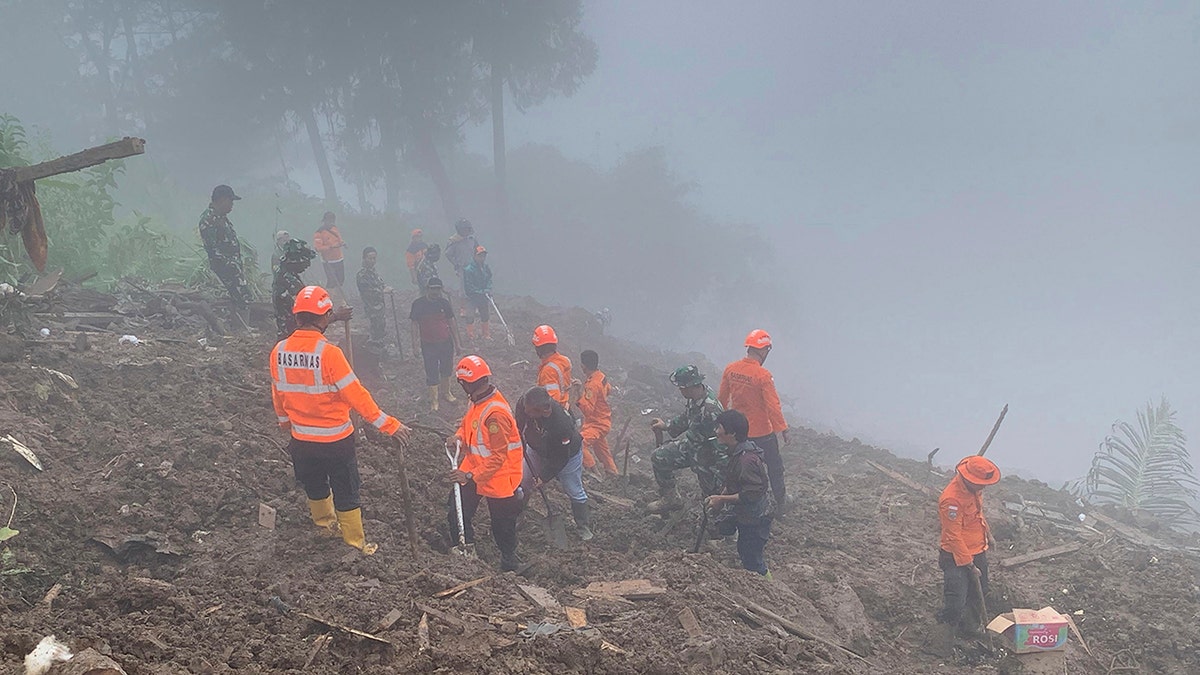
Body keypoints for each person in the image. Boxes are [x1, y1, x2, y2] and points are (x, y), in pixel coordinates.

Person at [270, 285, 411, 555]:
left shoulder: (279, 351)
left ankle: (325, 526)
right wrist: (390, 425)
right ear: (324, 318)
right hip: (335, 440)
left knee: (315, 486)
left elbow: (278, 393)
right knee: (346, 490)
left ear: (297, 317)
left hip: (301, 439)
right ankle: (355, 542)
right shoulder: (329, 354)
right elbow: (357, 397)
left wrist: (285, 423)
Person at [446, 355, 524, 571]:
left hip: (499, 476)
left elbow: (498, 457)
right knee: (456, 509)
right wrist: (458, 437)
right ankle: (465, 555)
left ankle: (510, 564)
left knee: (502, 525)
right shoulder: (476, 400)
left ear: (464, 383)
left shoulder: (495, 415)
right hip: (474, 468)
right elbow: (467, 425)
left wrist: (469, 476)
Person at [718, 329, 790, 514]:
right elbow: (773, 405)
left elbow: (722, 400)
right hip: (761, 432)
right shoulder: (763, 375)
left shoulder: (731, 369)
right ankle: (781, 503)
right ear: (764, 350)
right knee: (774, 467)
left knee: (737, 468)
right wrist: (783, 429)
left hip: (738, 432)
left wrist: (722, 426)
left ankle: (731, 504)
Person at [645, 365, 728, 513]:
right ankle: (671, 499)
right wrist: (667, 426)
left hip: (708, 457)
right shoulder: (695, 398)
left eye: (682, 387)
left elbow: (720, 444)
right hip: (692, 446)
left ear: (690, 386)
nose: (680, 390)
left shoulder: (711, 410)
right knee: (659, 457)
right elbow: (687, 417)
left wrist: (724, 474)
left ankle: (720, 529)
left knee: (711, 498)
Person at [937, 456, 1001, 642]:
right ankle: (945, 630)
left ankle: (970, 628)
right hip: (955, 556)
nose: (984, 487)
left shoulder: (974, 490)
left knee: (980, 589)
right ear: (969, 479)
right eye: (980, 483)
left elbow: (977, 515)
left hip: (978, 548)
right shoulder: (951, 500)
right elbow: (953, 536)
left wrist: (988, 535)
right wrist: (970, 565)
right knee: (956, 598)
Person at [516, 386, 592, 540]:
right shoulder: (524, 404)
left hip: (567, 454)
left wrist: (544, 477)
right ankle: (518, 514)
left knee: (573, 488)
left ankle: (583, 526)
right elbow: (519, 425)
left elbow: (561, 458)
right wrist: (520, 441)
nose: (527, 413)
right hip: (537, 448)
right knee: (524, 480)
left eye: (530, 412)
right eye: (526, 409)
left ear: (544, 410)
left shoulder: (561, 424)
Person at [706, 410, 773, 576]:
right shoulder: (737, 453)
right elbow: (733, 481)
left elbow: (750, 494)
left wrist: (721, 499)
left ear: (732, 433)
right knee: (744, 550)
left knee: (752, 559)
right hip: (749, 515)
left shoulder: (746, 460)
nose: (716, 432)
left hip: (756, 518)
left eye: (720, 428)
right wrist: (721, 497)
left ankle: (768, 587)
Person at [198, 184, 251, 330]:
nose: (232, 205)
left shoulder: (221, 218)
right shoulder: (209, 219)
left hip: (232, 266)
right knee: (242, 296)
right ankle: (242, 330)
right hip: (225, 268)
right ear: (221, 200)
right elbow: (212, 249)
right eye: (230, 201)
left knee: (241, 296)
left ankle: (241, 328)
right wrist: (230, 265)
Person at [409, 277, 460, 411]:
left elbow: (451, 322)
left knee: (446, 368)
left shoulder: (444, 303)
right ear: (427, 289)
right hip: (428, 344)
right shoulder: (418, 304)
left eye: (438, 289)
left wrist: (458, 343)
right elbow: (414, 325)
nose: (435, 292)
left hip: (445, 342)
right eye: (433, 289)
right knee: (431, 370)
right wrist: (415, 345)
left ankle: (447, 393)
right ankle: (434, 399)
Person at [573, 350, 617, 476]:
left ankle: (593, 471)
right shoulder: (601, 377)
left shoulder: (592, 385)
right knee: (603, 452)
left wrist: (579, 393)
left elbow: (587, 411)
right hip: (604, 421)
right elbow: (608, 389)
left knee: (579, 443)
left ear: (583, 366)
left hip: (596, 424)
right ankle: (614, 474)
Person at [272, 239, 316, 339]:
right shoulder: (288, 280)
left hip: (290, 333)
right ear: (295, 261)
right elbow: (306, 313)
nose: (308, 265)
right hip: (292, 336)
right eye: (305, 260)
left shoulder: (287, 274)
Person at [356, 247, 392, 351]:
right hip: (371, 309)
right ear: (364, 259)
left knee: (381, 330)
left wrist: (387, 288)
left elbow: (381, 284)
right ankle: (373, 354)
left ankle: (380, 353)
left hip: (380, 308)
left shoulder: (374, 273)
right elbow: (367, 291)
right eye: (370, 258)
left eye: (374, 258)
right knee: (374, 332)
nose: (372, 261)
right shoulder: (362, 275)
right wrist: (383, 291)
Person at [532, 325, 572, 410]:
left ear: (538, 348)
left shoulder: (548, 370)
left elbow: (552, 401)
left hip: (556, 416)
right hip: (566, 409)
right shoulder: (564, 361)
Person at [444, 218, 478, 311]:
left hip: (473, 267)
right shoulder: (454, 241)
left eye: (467, 228)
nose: (466, 231)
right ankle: (463, 309)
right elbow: (448, 254)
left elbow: (477, 250)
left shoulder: (472, 239)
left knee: (474, 288)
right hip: (462, 268)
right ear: (459, 230)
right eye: (464, 229)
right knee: (463, 289)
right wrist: (456, 264)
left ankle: (474, 308)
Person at [462, 245, 493, 341]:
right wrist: (481, 292)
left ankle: (486, 335)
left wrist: (488, 289)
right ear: (474, 256)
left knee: (485, 315)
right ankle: (471, 336)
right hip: (472, 297)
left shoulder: (485, 267)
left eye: (483, 256)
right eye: (480, 256)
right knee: (470, 316)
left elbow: (489, 279)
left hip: (483, 296)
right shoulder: (468, 269)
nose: (482, 258)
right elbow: (469, 287)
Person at [313, 211, 346, 292]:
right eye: (329, 220)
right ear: (325, 220)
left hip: (338, 258)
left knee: (341, 279)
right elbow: (318, 248)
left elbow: (339, 239)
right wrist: (330, 247)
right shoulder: (319, 233)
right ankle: (328, 296)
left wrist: (342, 243)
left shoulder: (334, 228)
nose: (331, 222)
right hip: (328, 260)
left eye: (332, 220)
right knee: (332, 281)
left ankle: (338, 299)